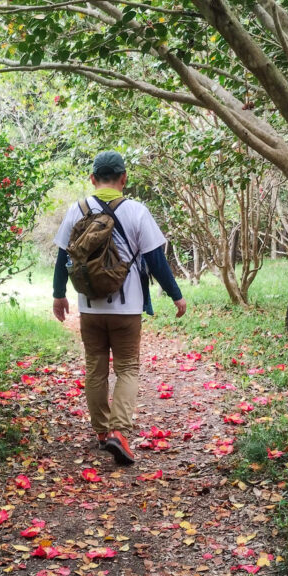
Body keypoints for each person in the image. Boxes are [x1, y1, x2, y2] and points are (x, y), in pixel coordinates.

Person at [52, 150, 187, 466]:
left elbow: (63, 259)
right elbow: (156, 261)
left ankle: (101, 432)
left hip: (90, 307)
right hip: (127, 308)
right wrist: (176, 295)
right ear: (124, 179)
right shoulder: (137, 211)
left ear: (93, 179)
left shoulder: (77, 210)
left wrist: (60, 296)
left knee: (96, 366)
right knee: (127, 367)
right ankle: (119, 433)